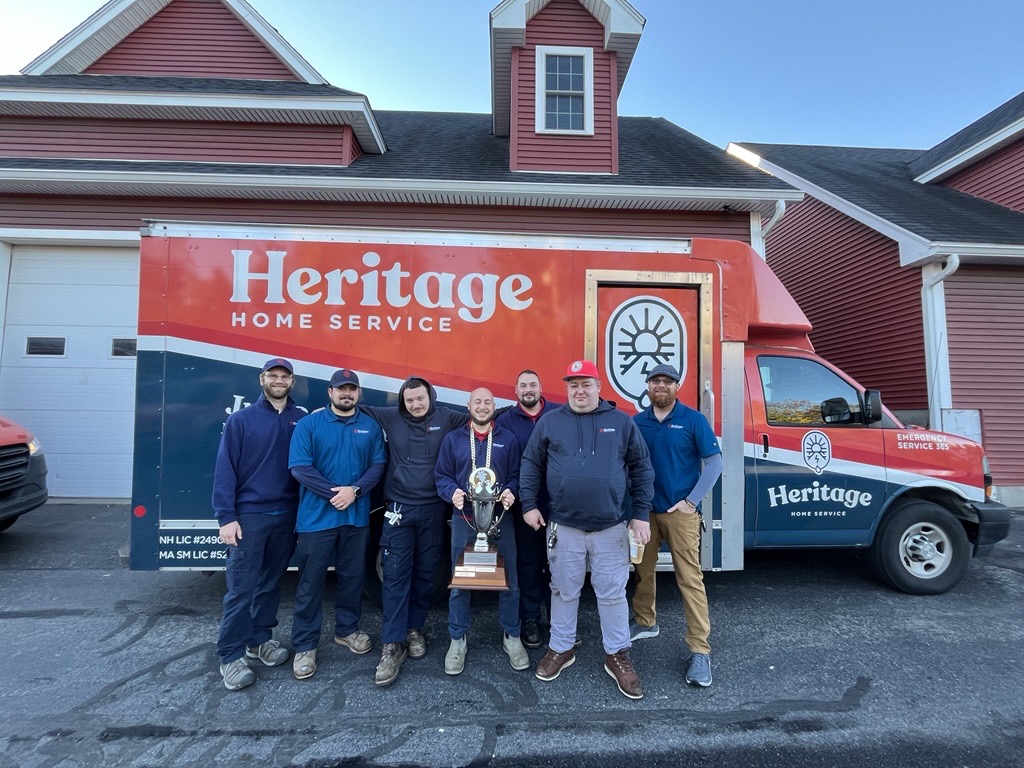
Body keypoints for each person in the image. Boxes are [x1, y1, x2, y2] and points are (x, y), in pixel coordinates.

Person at [519, 359, 654, 700]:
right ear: (567, 389)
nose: (580, 391)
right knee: (564, 591)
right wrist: (529, 504)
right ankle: (562, 648)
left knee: (611, 593)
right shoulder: (551, 422)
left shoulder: (621, 423)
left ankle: (617, 653)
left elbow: (641, 467)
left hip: (610, 527)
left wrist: (640, 514)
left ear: (598, 388)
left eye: (586, 384)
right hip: (564, 526)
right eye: (573, 385)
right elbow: (531, 463)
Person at [361, 377, 467, 686]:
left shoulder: (447, 417)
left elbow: (482, 415)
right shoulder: (390, 417)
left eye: (420, 399)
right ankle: (392, 645)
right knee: (395, 575)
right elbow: (355, 407)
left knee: (426, 573)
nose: (415, 405)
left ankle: (413, 629)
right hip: (398, 510)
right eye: (410, 401)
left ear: (430, 397)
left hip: (434, 509)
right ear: (403, 402)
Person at [212, 357, 305, 691]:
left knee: (270, 582)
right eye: (273, 376)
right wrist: (226, 517)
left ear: (292, 382)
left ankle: (259, 640)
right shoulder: (241, 420)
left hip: (287, 514)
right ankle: (230, 656)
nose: (279, 381)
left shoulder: (300, 419)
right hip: (250, 515)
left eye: (285, 376)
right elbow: (225, 470)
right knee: (241, 588)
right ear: (262, 379)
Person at [288, 369, 387, 680]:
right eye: (341, 389)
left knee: (352, 578)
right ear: (329, 393)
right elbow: (299, 467)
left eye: (352, 389)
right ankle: (305, 645)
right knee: (310, 584)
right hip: (317, 520)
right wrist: (335, 493)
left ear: (358, 393)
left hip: (355, 518)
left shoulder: (369, 426)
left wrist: (355, 490)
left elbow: (378, 465)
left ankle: (347, 630)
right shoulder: (309, 424)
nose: (347, 394)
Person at [629, 364, 723, 687]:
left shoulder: (693, 420)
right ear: (647, 386)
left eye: (666, 381)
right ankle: (644, 621)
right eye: (655, 381)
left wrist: (691, 501)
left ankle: (699, 649)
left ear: (676, 386)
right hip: (645, 514)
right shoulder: (636, 422)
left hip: (680, 514)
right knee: (642, 569)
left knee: (689, 578)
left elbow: (715, 463)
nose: (660, 386)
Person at [435, 387, 528, 675]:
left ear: (494, 406)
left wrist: (512, 490)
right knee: (461, 582)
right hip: (465, 520)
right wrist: (452, 493)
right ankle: (457, 639)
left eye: (488, 402)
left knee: (509, 579)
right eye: (478, 402)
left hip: (500, 519)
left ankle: (512, 636)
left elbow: (516, 474)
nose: (483, 406)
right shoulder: (453, 440)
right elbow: (442, 475)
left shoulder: (508, 439)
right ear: (469, 406)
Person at [495, 369, 558, 649]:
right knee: (529, 564)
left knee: (560, 567)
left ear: (541, 386)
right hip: (525, 506)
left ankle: (560, 622)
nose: (528, 389)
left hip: (560, 505)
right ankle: (530, 618)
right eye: (523, 385)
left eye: (533, 384)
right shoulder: (504, 421)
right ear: (516, 390)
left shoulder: (560, 415)